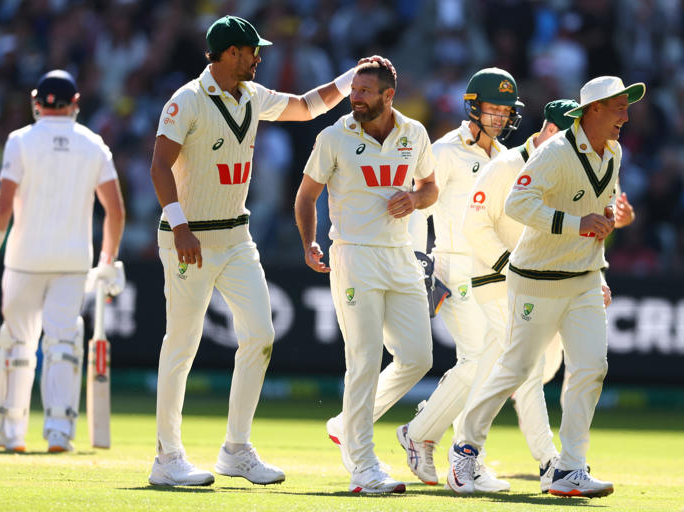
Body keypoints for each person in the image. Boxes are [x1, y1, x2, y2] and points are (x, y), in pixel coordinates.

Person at [147, 15, 366, 487]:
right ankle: (167, 457)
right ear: (229, 53)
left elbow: (308, 107)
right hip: (191, 238)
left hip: (236, 237)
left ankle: (236, 449)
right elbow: (160, 165)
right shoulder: (186, 100)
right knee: (181, 344)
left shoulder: (251, 95)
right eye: (251, 51)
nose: (258, 58)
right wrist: (181, 226)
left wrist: (350, 79)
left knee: (261, 335)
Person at [447, 76, 645, 498]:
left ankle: (569, 468)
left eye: (627, 108)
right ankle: (465, 449)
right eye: (618, 108)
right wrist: (577, 224)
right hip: (536, 280)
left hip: (585, 280)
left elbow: (598, 209)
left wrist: (609, 219)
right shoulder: (555, 152)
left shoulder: (613, 152)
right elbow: (518, 204)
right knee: (516, 370)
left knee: (591, 368)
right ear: (593, 109)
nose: (625, 117)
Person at [294, 57, 438, 494]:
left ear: (387, 96)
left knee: (417, 358)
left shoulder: (414, 133)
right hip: (354, 255)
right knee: (364, 359)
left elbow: (431, 188)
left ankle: (346, 423)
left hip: (400, 256)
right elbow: (305, 197)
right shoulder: (334, 136)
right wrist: (309, 243)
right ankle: (362, 464)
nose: (353, 98)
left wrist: (414, 200)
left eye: (363, 92)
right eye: (353, 90)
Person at [0, 70, 126, 453]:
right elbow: (116, 211)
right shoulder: (93, 144)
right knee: (63, 341)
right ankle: (59, 431)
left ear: (38, 104)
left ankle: (10, 433)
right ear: (75, 104)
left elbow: (3, 206)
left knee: (18, 342)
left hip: (25, 257)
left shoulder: (20, 141)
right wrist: (108, 260)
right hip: (74, 259)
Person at [394, 68, 523, 491]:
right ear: (473, 106)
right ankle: (455, 452)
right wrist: (421, 266)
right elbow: (417, 204)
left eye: (506, 109)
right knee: (476, 361)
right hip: (451, 267)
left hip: (490, 270)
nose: (500, 116)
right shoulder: (446, 150)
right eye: (493, 108)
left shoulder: (501, 156)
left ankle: (422, 434)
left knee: (491, 364)